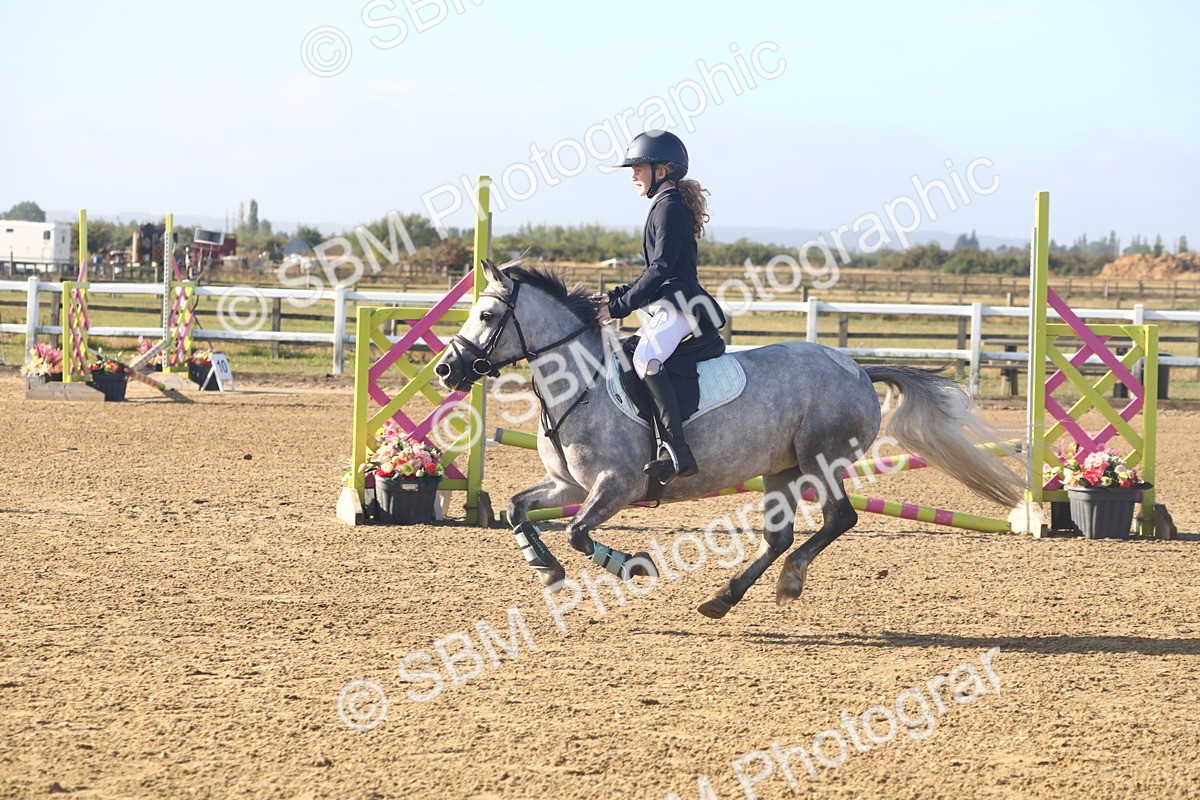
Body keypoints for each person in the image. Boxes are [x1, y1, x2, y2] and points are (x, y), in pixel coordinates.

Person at [595, 130, 724, 481]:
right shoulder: (664, 205)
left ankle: (678, 452)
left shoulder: (669, 208)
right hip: (668, 303)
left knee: (645, 359)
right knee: (630, 356)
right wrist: (614, 296)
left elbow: (661, 270)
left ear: (661, 171)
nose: (633, 175)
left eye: (638, 168)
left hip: (680, 304)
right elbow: (651, 270)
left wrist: (619, 308)